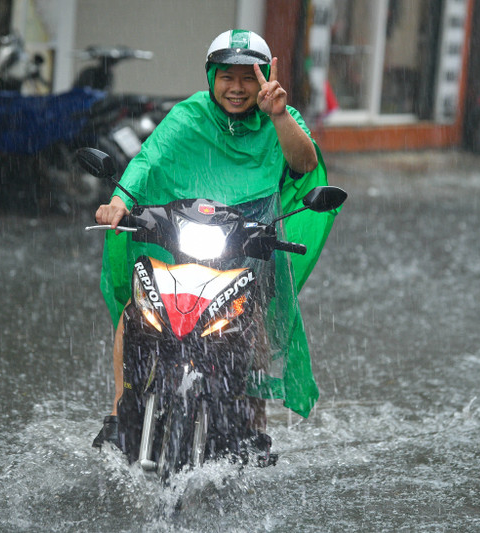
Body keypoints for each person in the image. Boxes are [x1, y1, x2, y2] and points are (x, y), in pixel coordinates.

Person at [92, 29, 338, 448]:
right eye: (228, 76)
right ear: (211, 77)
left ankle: (249, 425)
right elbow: (148, 158)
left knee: (252, 325)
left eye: (249, 77)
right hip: (182, 243)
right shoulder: (190, 115)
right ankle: (120, 411)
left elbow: (304, 163)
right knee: (137, 311)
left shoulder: (280, 115)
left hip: (247, 250)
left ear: (264, 78)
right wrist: (118, 199)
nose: (238, 88)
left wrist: (278, 115)